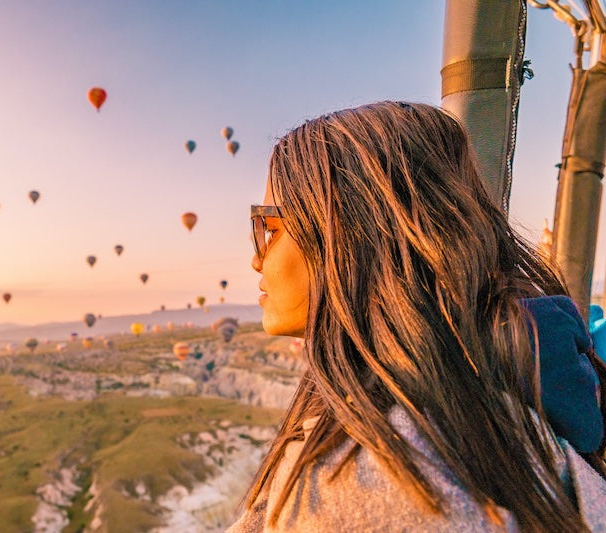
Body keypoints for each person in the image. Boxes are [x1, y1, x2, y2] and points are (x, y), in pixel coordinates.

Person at [229, 102, 606, 532]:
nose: (257, 260)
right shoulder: (516, 401)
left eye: (269, 228)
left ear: (352, 234)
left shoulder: (366, 478)